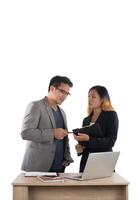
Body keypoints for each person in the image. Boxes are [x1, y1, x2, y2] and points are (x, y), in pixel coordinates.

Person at [21, 75, 74, 172]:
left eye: (67, 93)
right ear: (52, 89)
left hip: (60, 168)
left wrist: (67, 157)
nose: (65, 96)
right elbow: (26, 133)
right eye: (62, 91)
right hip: (38, 168)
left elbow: (63, 137)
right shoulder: (35, 106)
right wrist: (53, 133)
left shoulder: (62, 112)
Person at [74, 85, 119, 172]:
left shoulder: (111, 115)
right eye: (88, 96)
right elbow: (85, 145)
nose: (89, 99)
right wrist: (80, 149)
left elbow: (111, 141)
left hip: (103, 162)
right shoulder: (86, 120)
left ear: (103, 99)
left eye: (93, 97)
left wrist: (89, 139)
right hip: (86, 163)